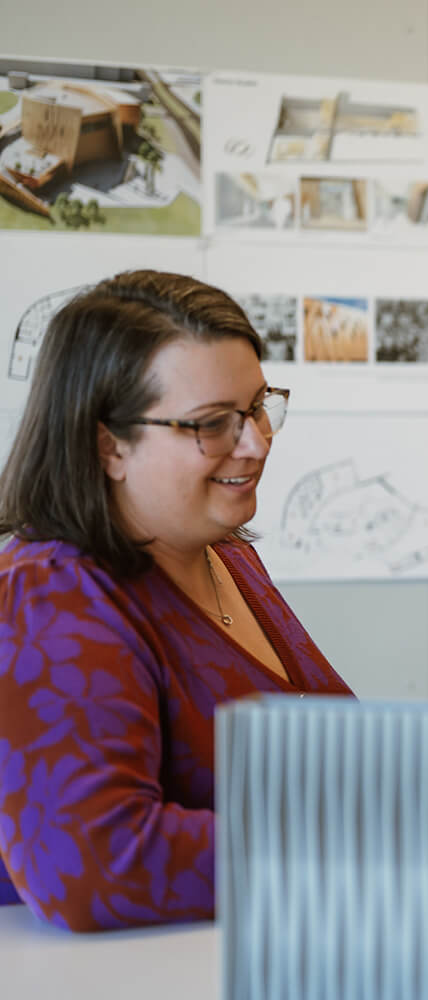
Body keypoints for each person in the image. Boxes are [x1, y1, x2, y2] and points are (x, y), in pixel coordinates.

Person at [0, 271, 353, 931]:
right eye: (213, 423)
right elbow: (94, 862)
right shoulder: (53, 592)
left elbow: (343, 755)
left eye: (257, 406)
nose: (256, 442)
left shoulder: (227, 555)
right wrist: (393, 843)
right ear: (110, 445)